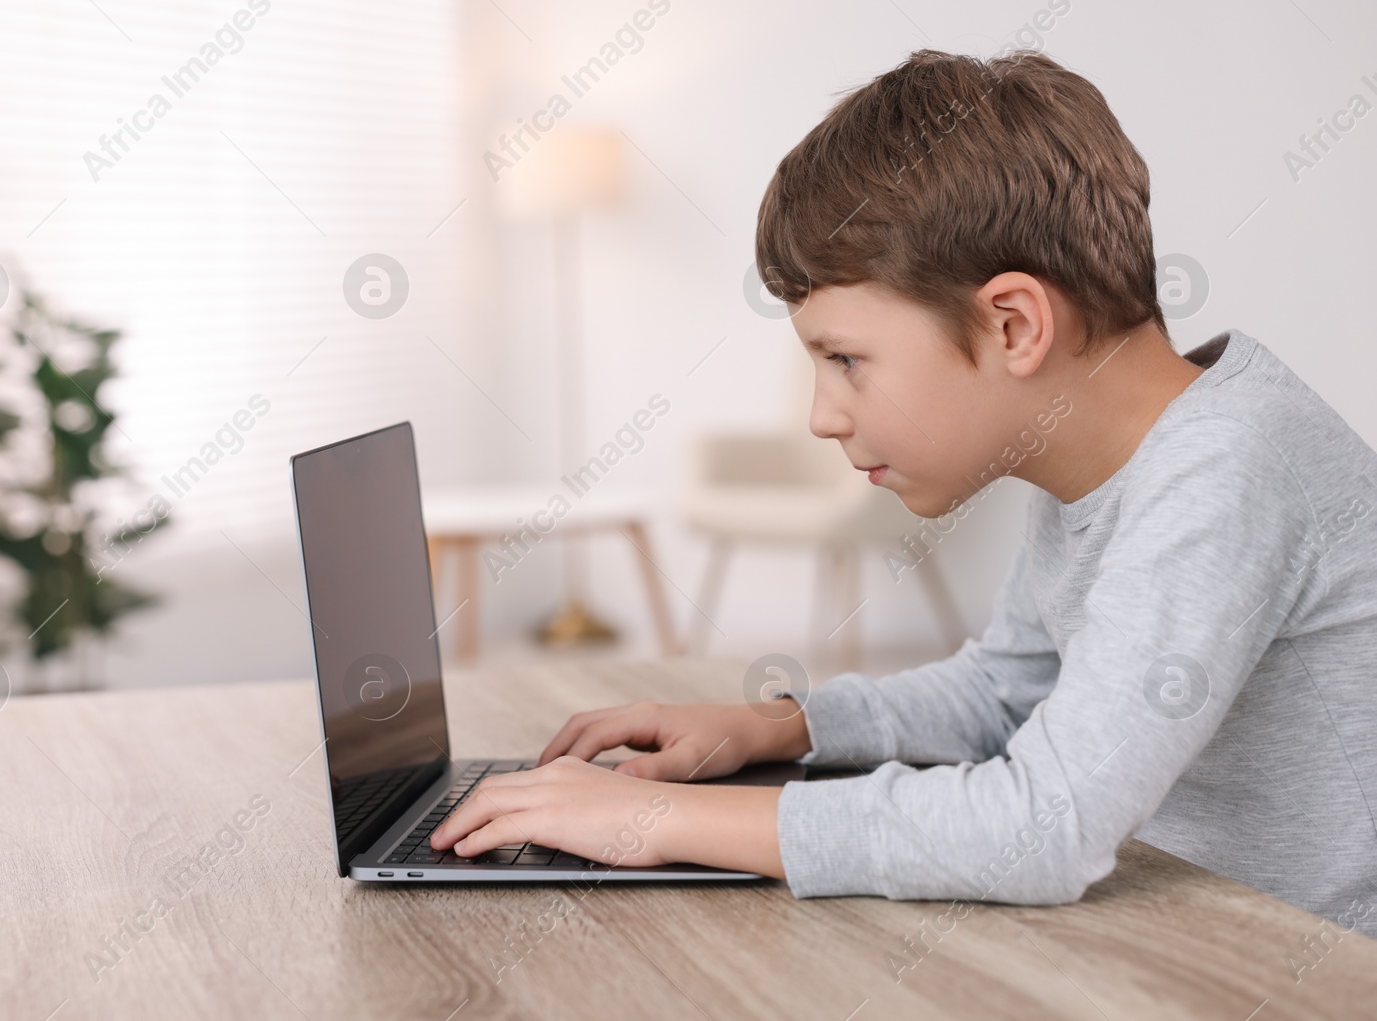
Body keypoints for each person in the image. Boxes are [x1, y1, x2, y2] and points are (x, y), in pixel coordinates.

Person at [430, 49, 1377, 936]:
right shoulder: (1106, 457)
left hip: (1297, 966)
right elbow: (1008, 691)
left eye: (845, 359)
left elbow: (1042, 824)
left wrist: (660, 815)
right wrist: (775, 726)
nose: (822, 416)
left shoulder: (1224, 469)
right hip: (1173, 932)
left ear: (1012, 325)